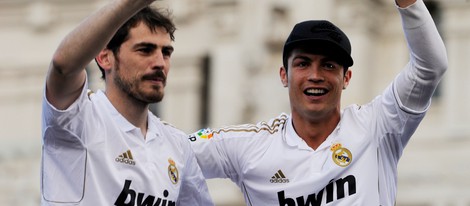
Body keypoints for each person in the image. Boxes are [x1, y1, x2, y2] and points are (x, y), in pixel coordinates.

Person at [188, 0, 447, 205]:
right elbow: (171, 152)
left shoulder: (376, 127)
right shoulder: (251, 146)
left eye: (329, 65)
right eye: (303, 64)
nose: (315, 75)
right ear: (283, 75)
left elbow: (430, 66)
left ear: (346, 78)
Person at [41, 0, 214, 205]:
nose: (160, 63)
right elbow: (62, 66)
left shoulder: (177, 144)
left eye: (166, 52)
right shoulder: (78, 119)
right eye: (145, 50)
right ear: (105, 58)